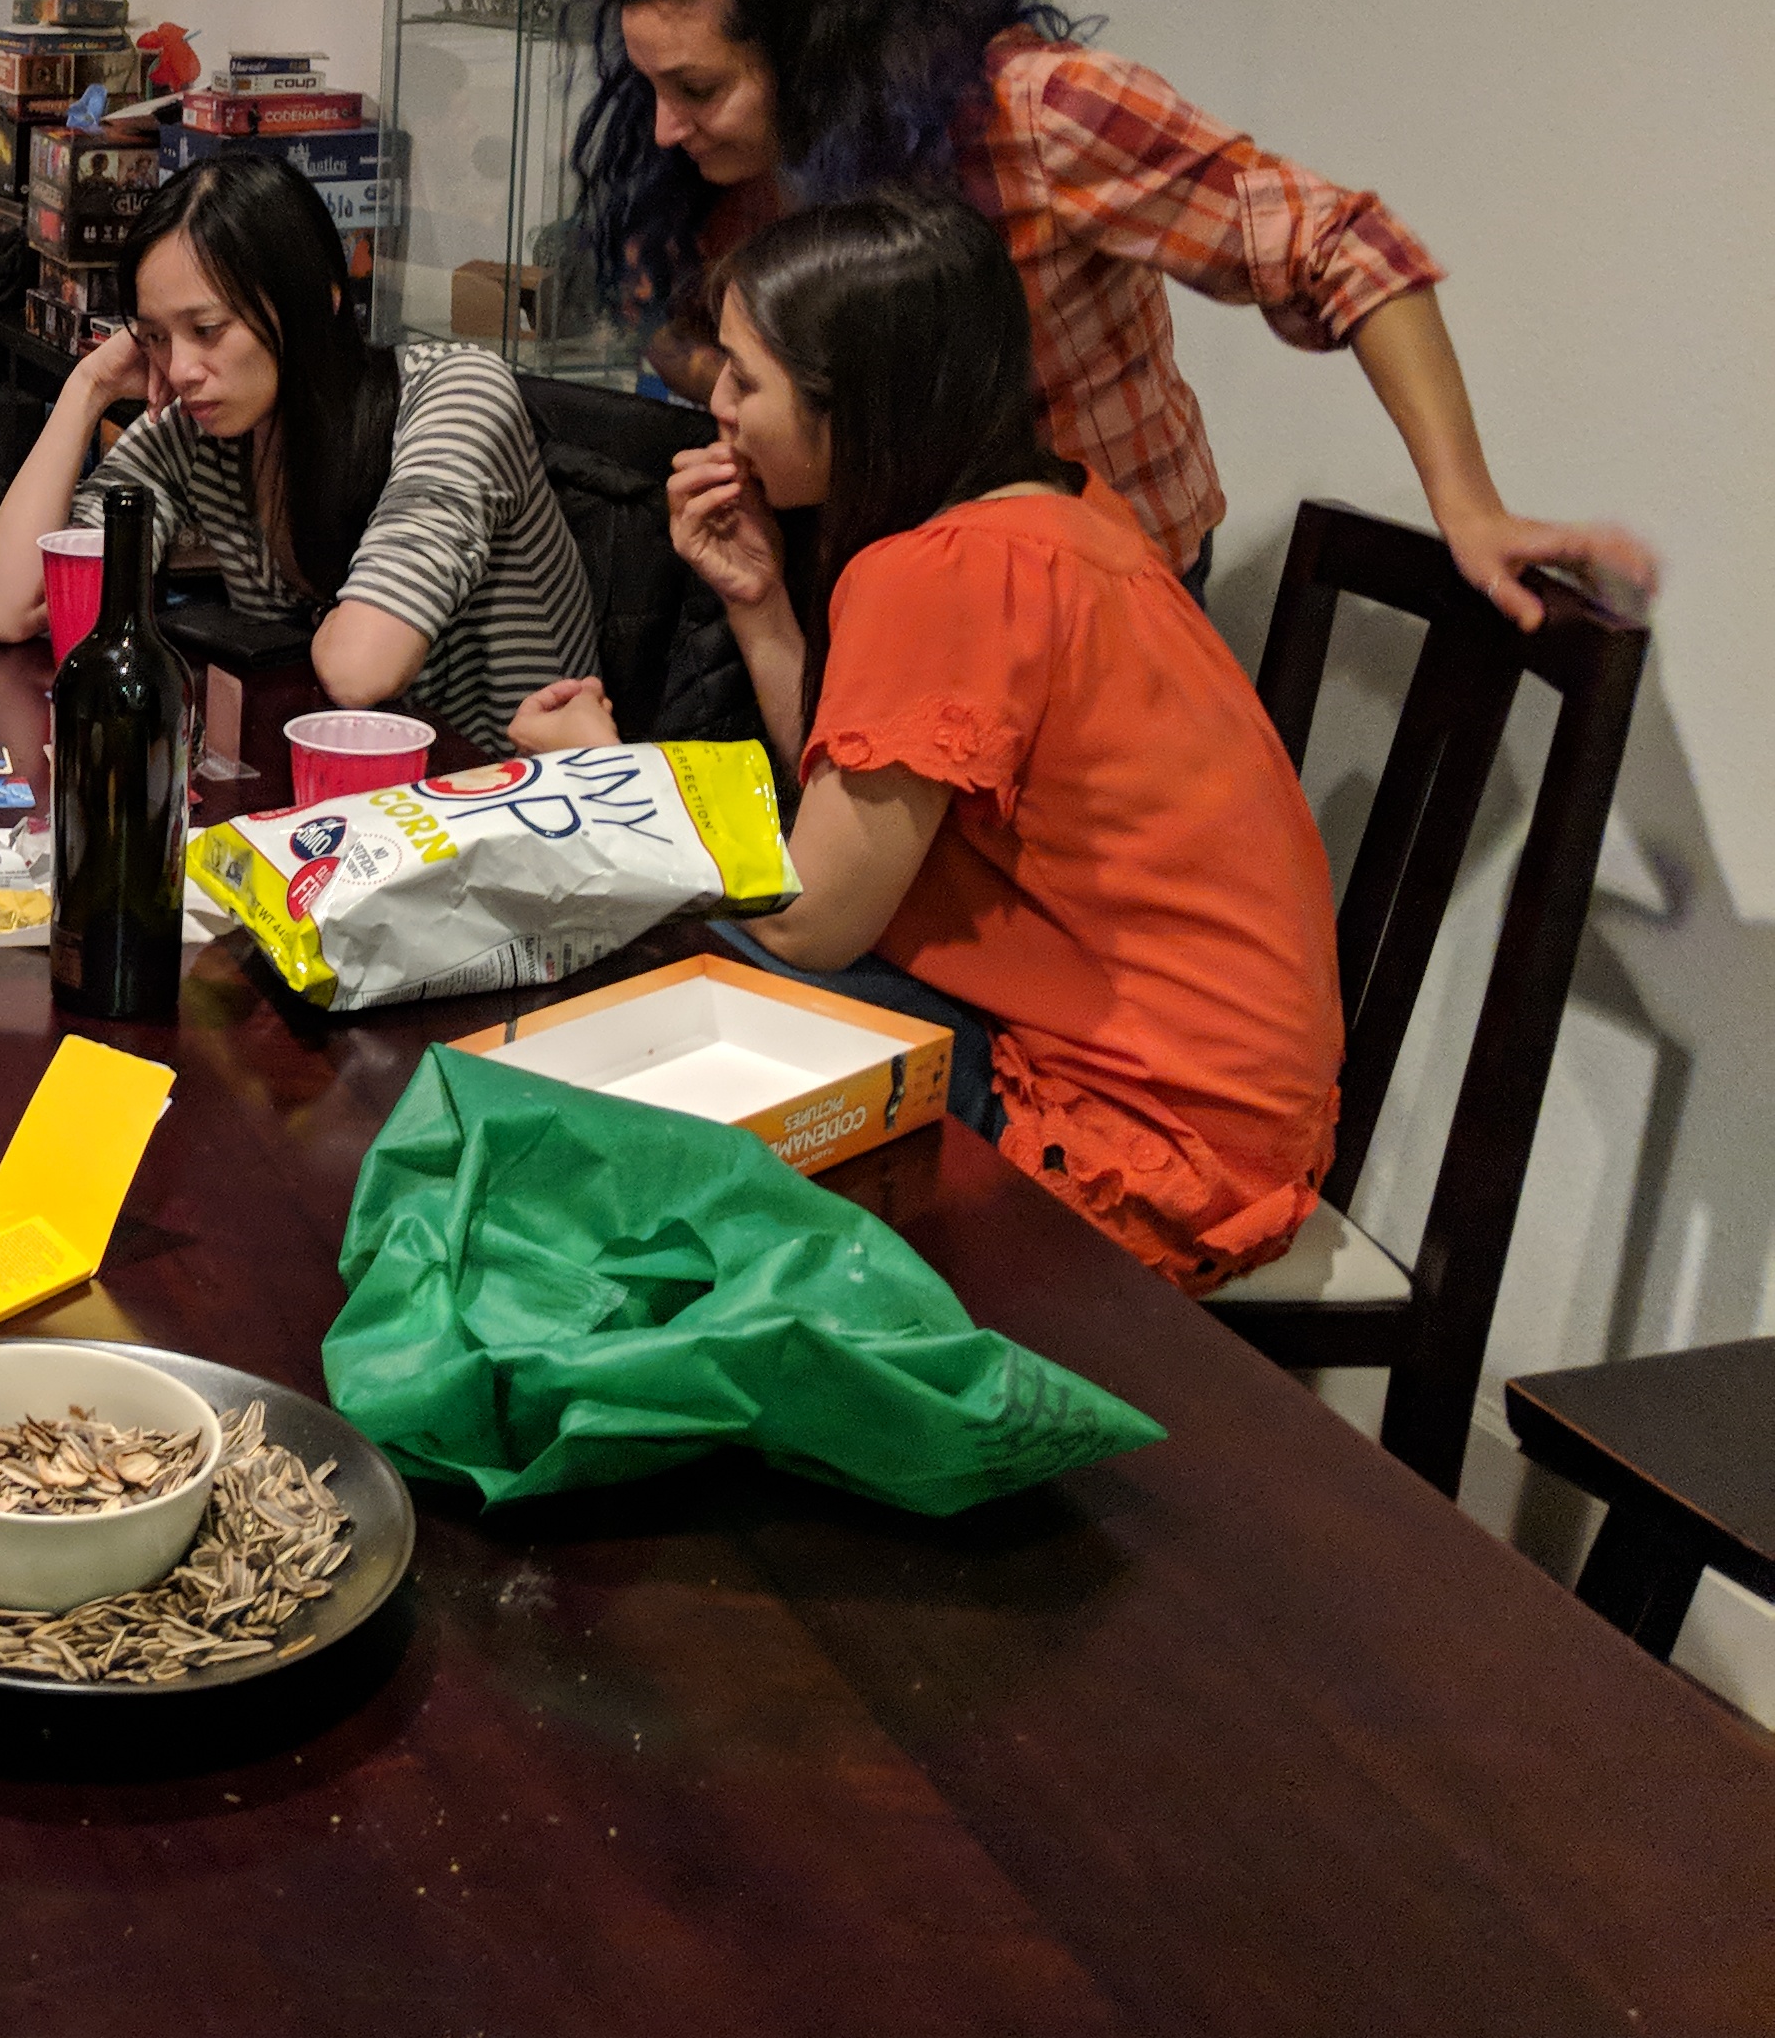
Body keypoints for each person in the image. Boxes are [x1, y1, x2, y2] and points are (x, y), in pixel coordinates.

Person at [511, 189, 1341, 1292]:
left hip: (1132, 1129)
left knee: (635, 971)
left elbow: (813, 918)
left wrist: (602, 779)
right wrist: (760, 606)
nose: (716, 403)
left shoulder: (943, 571)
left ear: (857, 406)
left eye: (747, 379)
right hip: (1229, 1103)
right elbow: (860, 811)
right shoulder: (1056, 509)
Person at [574, 0, 1654, 627]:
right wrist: (751, 398)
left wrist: (1467, 506)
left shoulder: (1047, 118)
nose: (664, 128)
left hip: (1105, 584)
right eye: (651, 87)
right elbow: (672, 323)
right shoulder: (716, 170)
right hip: (898, 577)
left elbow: (1346, 248)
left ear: (815, 52)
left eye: (698, 90)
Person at [0, 152, 598, 741]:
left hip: (516, 787)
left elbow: (359, 669)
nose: (180, 369)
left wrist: (325, 631)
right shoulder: (202, 426)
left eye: (206, 329)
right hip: (357, 787)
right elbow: (8, 609)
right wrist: (88, 389)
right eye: (155, 337)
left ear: (316, 303)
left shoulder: (457, 393)